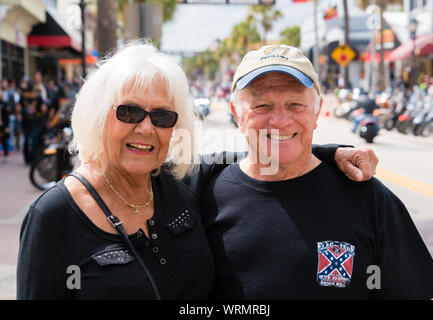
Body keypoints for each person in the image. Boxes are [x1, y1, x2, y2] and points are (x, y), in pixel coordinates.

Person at [17, 42, 378, 300]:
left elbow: (263, 151)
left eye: (161, 116)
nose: (145, 128)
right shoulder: (54, 214)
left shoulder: (183, 182)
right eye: (128, 112)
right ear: (96, 115)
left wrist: (328, 154)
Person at [202, 44, 433, 300]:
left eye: (295, 104)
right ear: (237, 114)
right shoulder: (203, 195)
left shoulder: (369, 199)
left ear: (317, 109)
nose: (280, 120)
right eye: (262, 105)